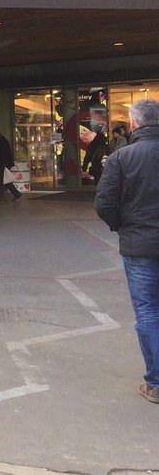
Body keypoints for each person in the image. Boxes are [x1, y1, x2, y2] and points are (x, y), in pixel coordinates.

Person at [94, 98, 159, 404]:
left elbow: (104, 204)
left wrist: (123, 226)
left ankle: (156, 383)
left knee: (147, 310)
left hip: (139, 245)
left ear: (133, 124)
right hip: (140, 241)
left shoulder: (122, 158)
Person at [0, 130, 21, 200]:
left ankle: (1, 196)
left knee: (1, 179)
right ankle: (15, 193)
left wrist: (0, 162)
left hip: (2, 163)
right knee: (5, 179)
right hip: (5, 163)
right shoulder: (3, 140)